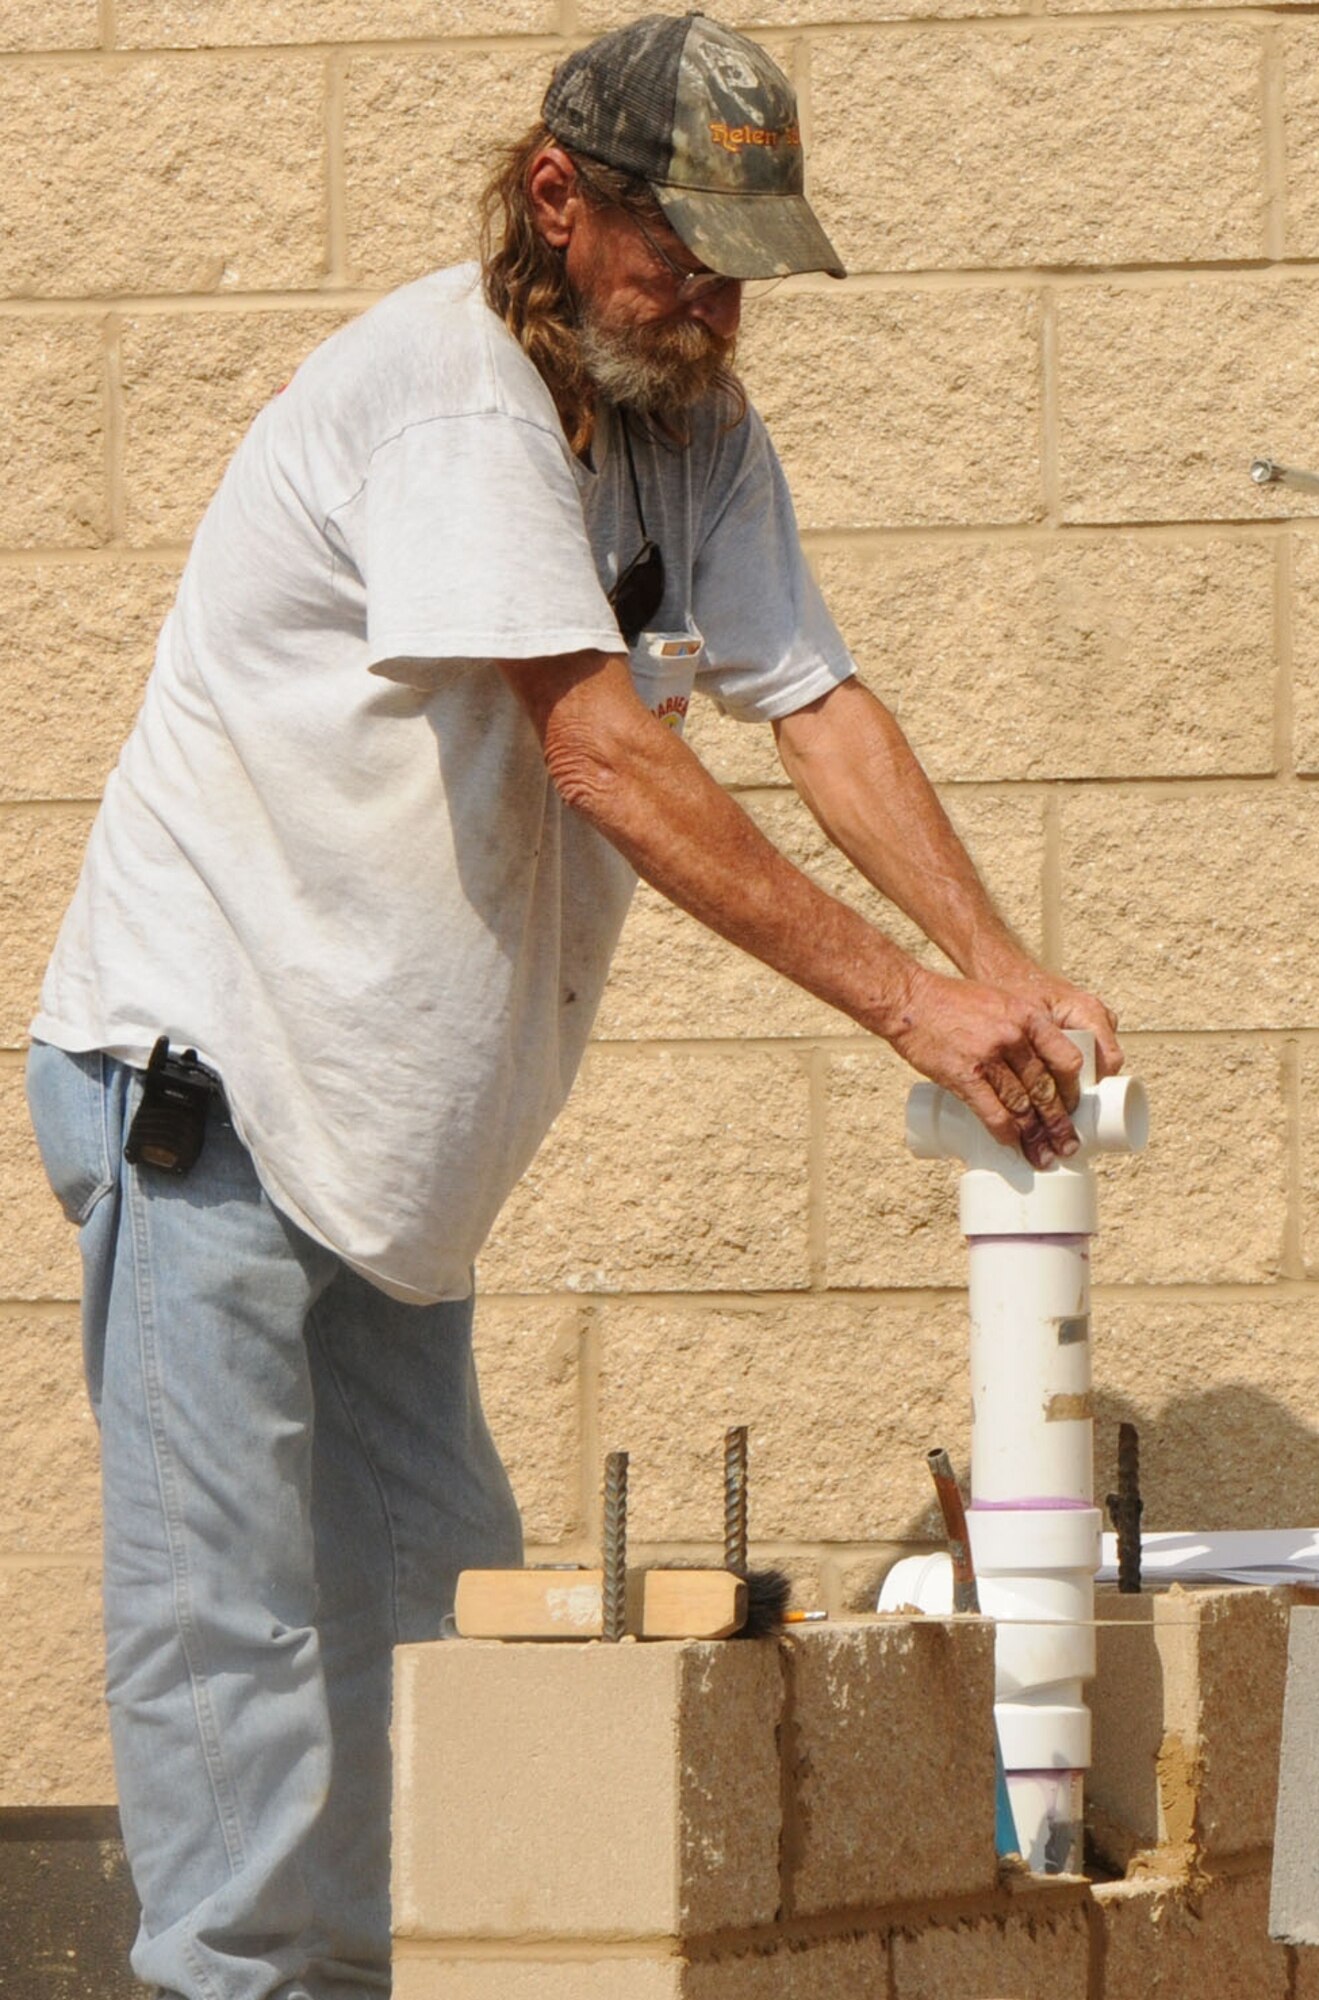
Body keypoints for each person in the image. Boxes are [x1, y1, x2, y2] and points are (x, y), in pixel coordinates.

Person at [25, 13, 1121, 1997]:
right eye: (677, 250)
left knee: (447, 1647)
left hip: (375, 1155)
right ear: (558, 200)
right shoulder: (454, 404)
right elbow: (603, 750)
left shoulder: (690, 428)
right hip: (207, 1096)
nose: (710, 300)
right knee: (246, 1654)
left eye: (735, 262)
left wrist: (995, 963)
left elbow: (818, 700)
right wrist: (905, 1008)